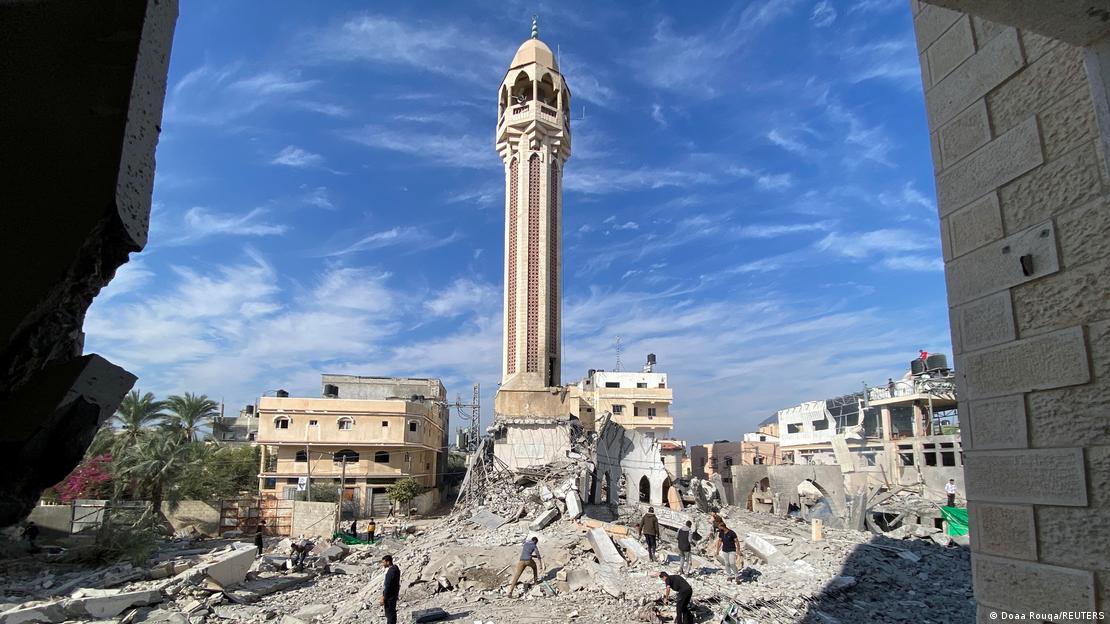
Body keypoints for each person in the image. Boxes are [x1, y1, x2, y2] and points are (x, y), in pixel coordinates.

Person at [380, 554, 400, 624]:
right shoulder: (396, 569)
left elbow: (388, 585)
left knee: (389, 614)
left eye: (383, 562)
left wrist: (383, 597)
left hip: (389, 596)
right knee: (392, 613)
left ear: (388, 562)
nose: (383, 564)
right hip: (393, 595)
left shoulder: (391, 571)